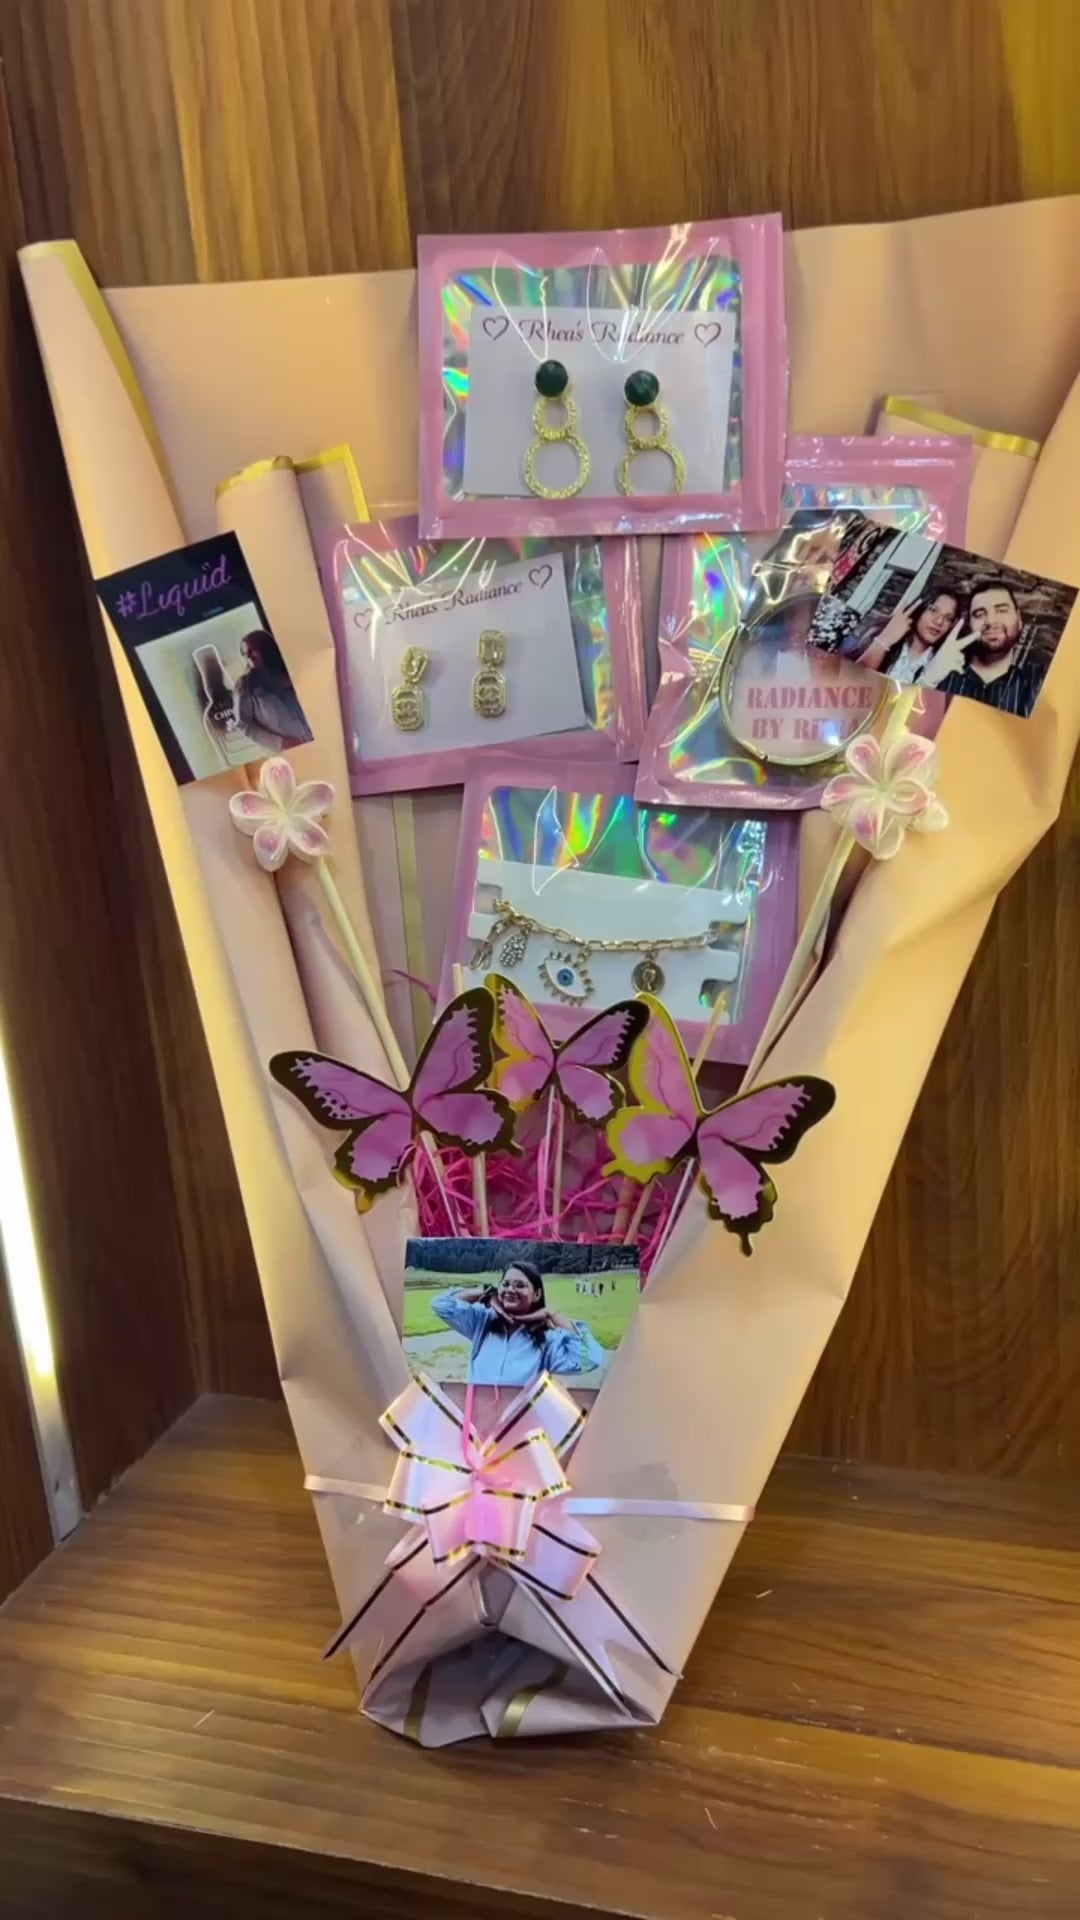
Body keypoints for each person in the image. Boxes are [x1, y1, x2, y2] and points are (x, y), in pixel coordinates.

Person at [431, 1262, 605, 1387]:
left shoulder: (547, 1339)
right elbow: (441, 1305)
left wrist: (551, 1313)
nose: (510, 1290)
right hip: (477, 1416)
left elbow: (590, 1359)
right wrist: (486, 1293)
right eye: (505, 1284)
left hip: (520, 1419)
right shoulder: (482, 1321)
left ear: (536, 1295)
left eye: (520, 1285)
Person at [921, 579, 1048, 714]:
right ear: (969, 625)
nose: (990, 621)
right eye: (979, 614)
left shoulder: (1038, 684)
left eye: (1002, 610)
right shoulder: (938, 672)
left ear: (1019, 619)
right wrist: (927, 681)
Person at [850, 588, 961, 684]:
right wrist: (883, 642)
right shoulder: (881, 636)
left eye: (948, 618)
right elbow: (849, 681)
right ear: (919, 609)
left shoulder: (942, 666)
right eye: (933, 610)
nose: (939, 621)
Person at [233, 629, 310, 750]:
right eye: (244, 653)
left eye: (252, 650)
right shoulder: (246, 685)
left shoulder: (295, 668)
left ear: (267, 648)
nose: (248, 656)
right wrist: (281, 743)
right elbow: (243, 724)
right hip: (293, 748)